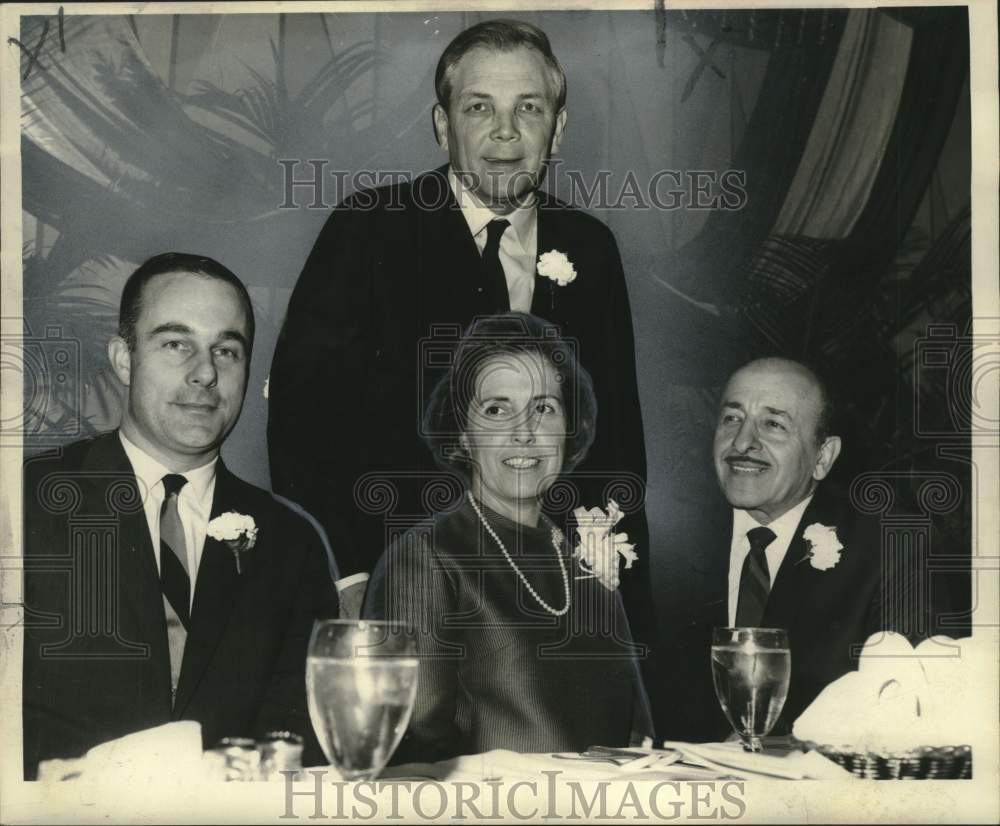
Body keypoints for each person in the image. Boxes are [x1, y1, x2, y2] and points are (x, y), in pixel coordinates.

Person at [267, 19, 652, 660]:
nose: (505, 132)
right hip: (400, 598)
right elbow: (299, 428)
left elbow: (616, 446)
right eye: (480, 108)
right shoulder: (369, 232)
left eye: (528, 108)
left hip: (550, 612)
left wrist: (621, 624)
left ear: (558, 128)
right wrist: (352, 579)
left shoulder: (592, 250)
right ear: (444, 126)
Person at [22, 253, 339, 778]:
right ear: (123, 360)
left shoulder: (291, 542)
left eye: (227, 350)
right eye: (176, 343)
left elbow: (301, 735)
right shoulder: (25, 503)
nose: (205, 373)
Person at [363, 313, 651, 762]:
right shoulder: (424, 558)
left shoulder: (590, 554)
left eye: (544, 408)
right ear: (464, 434)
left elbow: (640, 736)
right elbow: (408, 749)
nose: (524, 432)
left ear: (568, 431)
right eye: (497, 409)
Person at [659, 357, 935, 741]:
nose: (741, 443)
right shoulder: (663, 535)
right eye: (732, 419)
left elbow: (909, 711)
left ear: (822, 457)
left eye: (773, 424)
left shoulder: (887, 549)